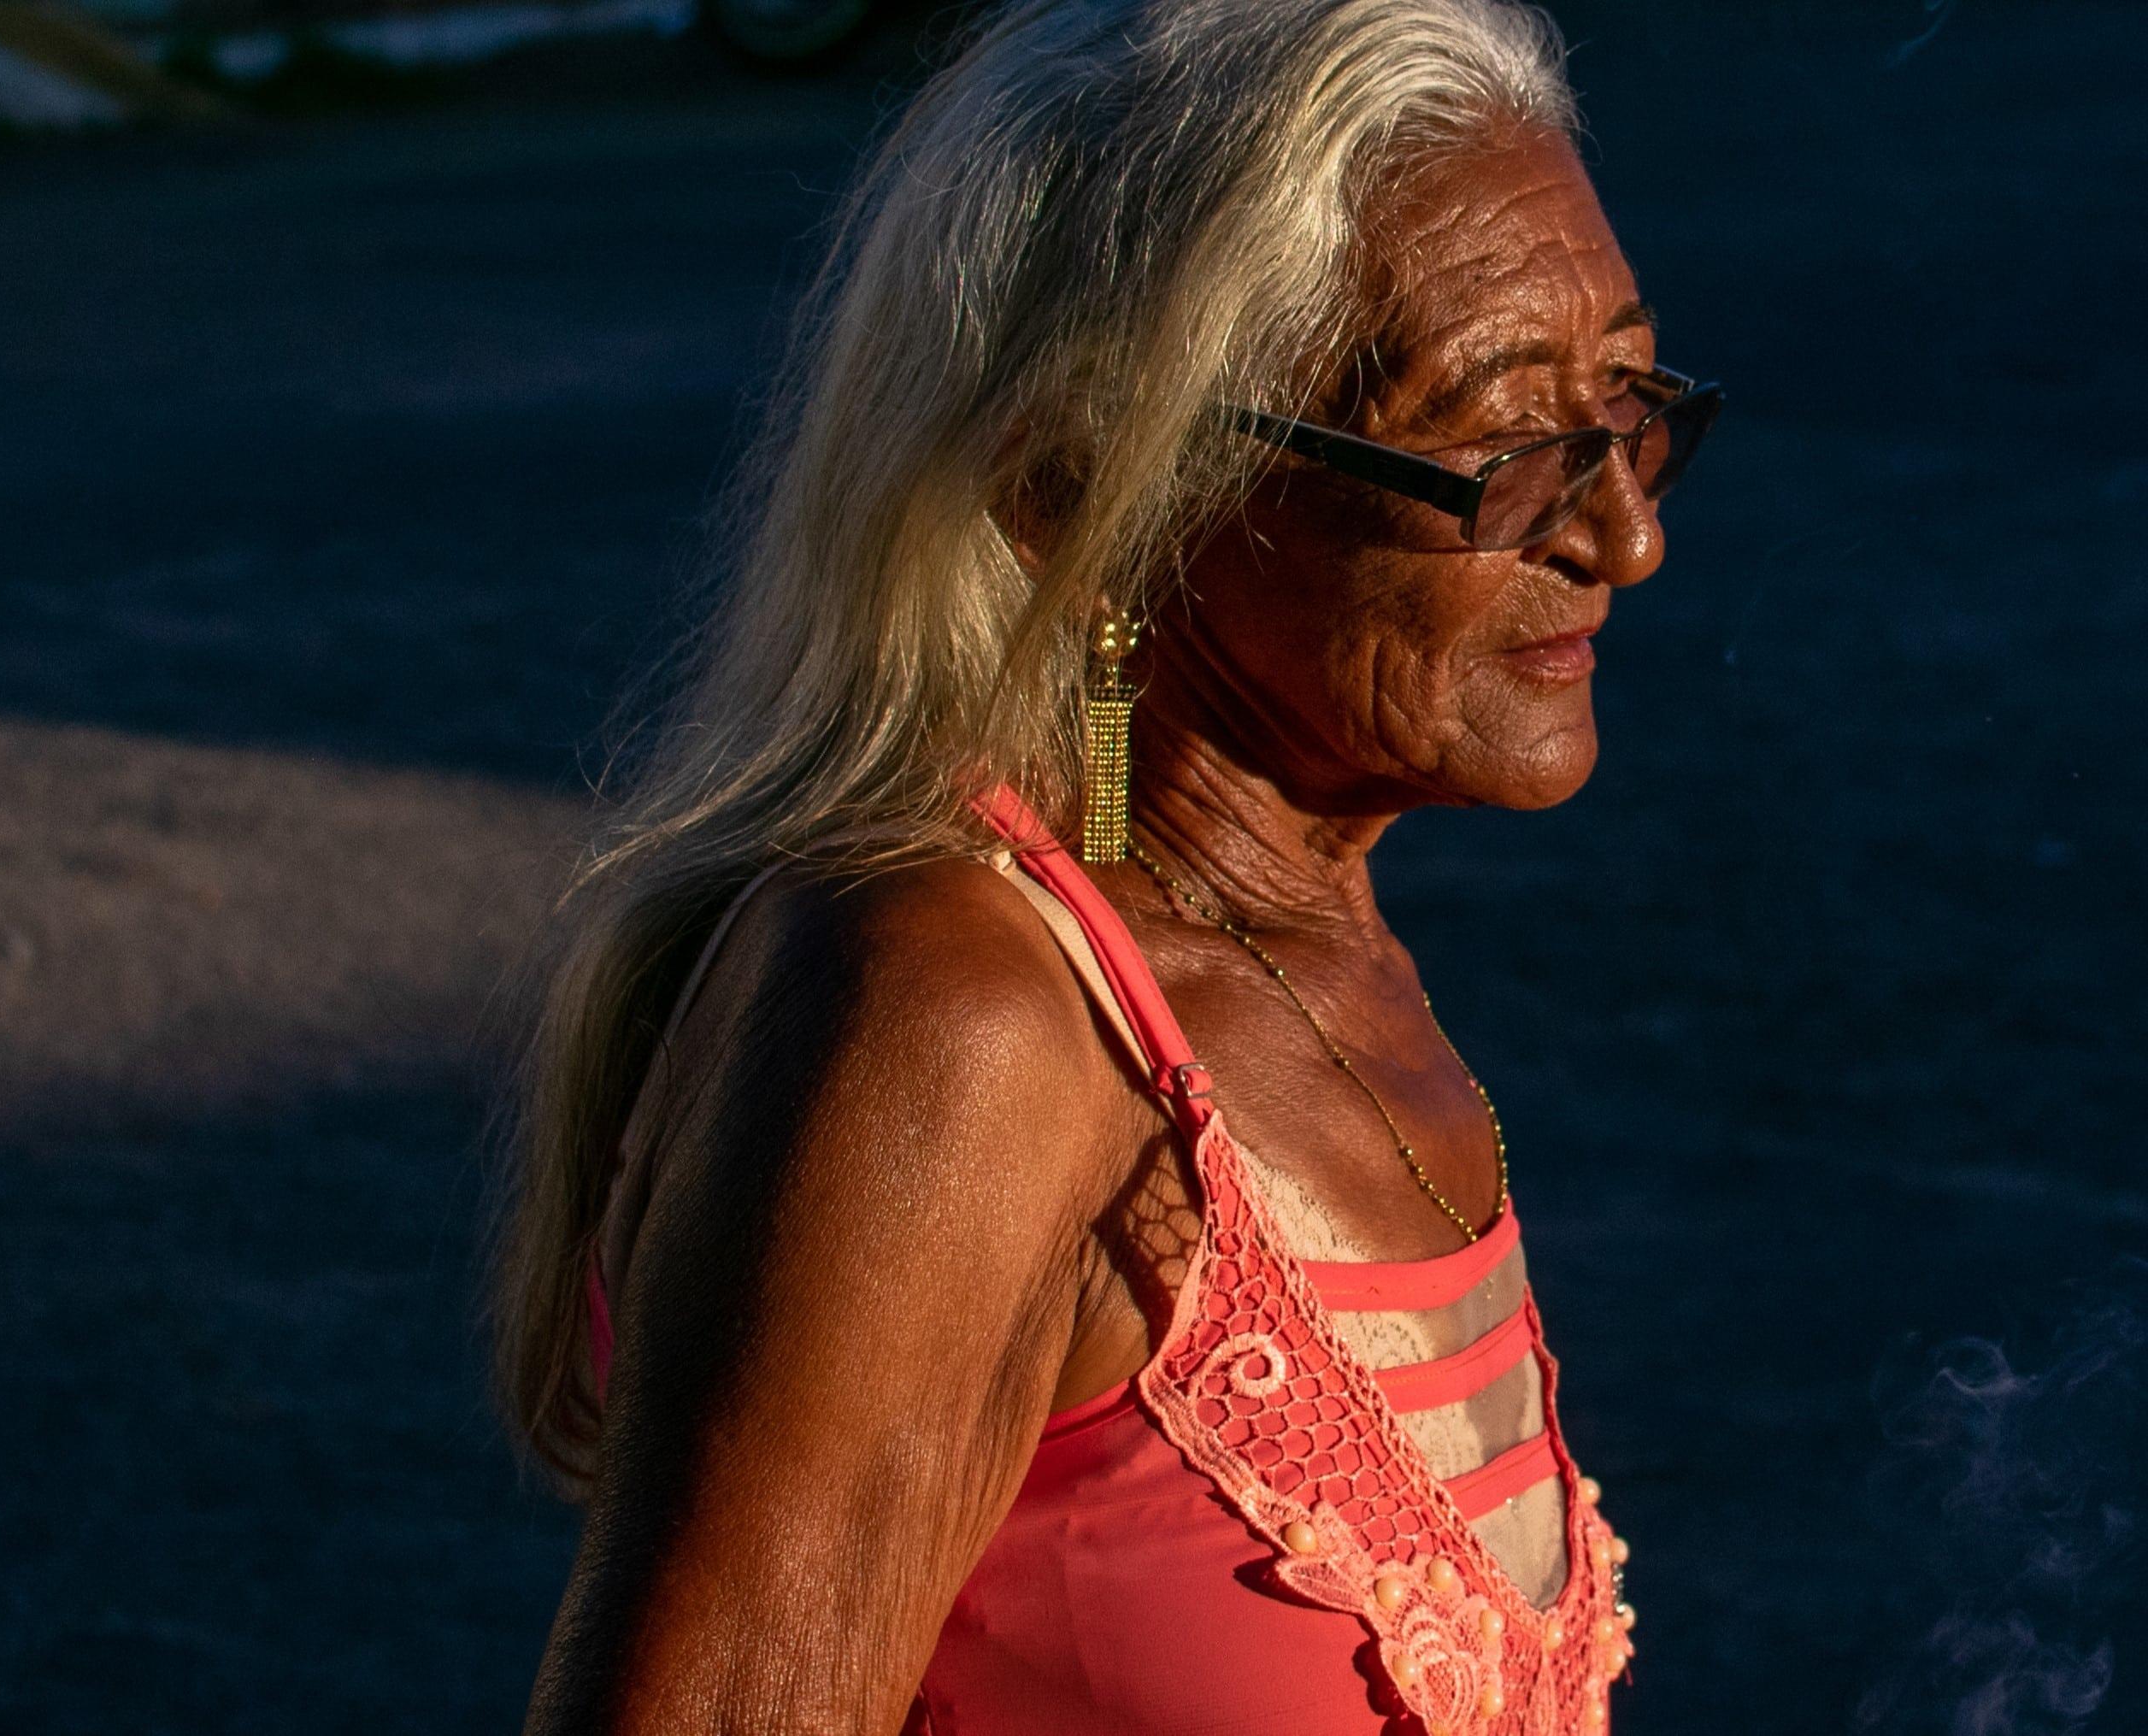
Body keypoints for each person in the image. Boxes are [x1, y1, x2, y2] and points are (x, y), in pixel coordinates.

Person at [491, 0, 1723, 1729]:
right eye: (1500, 446)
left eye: (1624, 401)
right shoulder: (956, 1016)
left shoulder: (1331, 970)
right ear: (1089, 495)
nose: (1622, 532)